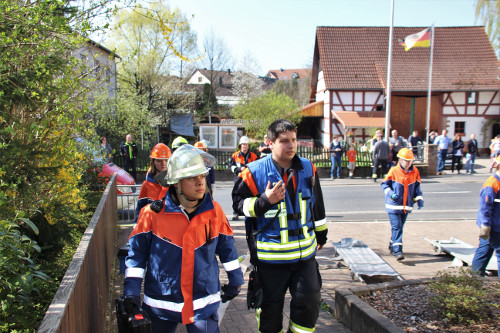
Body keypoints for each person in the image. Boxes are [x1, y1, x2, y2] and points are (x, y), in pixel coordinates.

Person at [123, 145, 244, 333]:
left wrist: (236, 281)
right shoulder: (151, 215)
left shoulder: (215, 211)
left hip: (203, 302)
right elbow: (136, 257)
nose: (200, 182)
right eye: (192, 177)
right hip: (161, 304)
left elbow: (227, 249)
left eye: (202, 176)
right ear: (176, 183)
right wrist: (131, 293)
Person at [232, 119, 327, 333]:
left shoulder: (308, 168)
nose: (291, 145)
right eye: (284, 141)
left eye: (294, 140)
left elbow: (317, 206)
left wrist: (321, 235)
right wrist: (265, 200)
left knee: (310, 301)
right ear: (270, 143)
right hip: (270, 260)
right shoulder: (252, 172)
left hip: (305, 257)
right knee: (270, 315)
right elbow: (238, 206)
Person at [381, 148, 424, 261]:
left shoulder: (415, 172)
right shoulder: (394, 171)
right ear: (400, 160)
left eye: (410, 161)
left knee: (399, 227)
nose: (408, 163)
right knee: (397, 228)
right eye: (406, 160)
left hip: (406, 207)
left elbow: (417, 188)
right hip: (393, 206)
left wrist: (419, 199)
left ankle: (392, 244)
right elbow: (384, 185)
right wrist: (390, 193)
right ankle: (398, 251)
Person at [471, 155, 500, 276]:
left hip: (494, 225)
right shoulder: (492, 184)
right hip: (493, 226)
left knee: (484, 250)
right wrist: (486, 225)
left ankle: (475, 276)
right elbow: (485, 207)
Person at [135, 143, 171, 218]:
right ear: (153, 162)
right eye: (159, 161)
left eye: (166, 160)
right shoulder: (147, 185)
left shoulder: (176, 183)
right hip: (152, 226)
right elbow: (140, 209)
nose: (163, 163)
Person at [229, 136, 258, 220]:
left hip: (250, 180)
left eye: (246, 144)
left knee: (250, 196)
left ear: (248, 145)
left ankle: (249, 212)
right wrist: (239, 169)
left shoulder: (253, 156)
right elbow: (231, 166)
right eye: (243, 144)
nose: (244, 146)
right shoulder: (235, 155)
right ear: (240, 146)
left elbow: (256, 167)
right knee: (237, 196)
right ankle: (235, 212)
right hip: (238, 179)